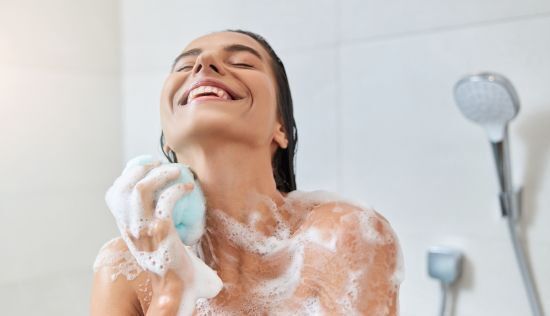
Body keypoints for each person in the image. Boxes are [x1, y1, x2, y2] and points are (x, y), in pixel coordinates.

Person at [90, 29, 403, 316]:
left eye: (243, 62)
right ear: (167, 135)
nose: (204, 63)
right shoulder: (124, 267)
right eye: (185, 67)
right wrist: (171, 295)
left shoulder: (343, 236)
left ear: (280, 127)